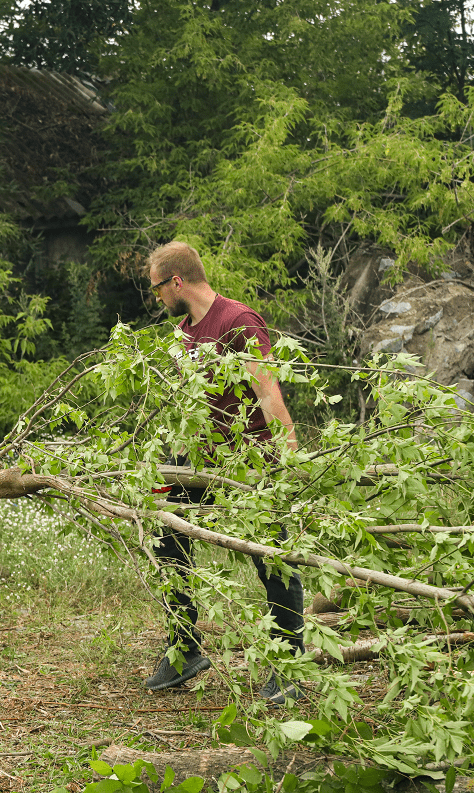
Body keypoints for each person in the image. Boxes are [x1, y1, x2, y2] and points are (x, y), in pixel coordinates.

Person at [142, 241, 305, 705]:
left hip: (249, 463)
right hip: (199, 463)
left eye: (157, 288)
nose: (156, 298)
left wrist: (288, 460)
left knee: (271, 559)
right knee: (162, 528)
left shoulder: (238, 321)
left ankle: (288, 665)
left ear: (177, 281)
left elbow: (267, 391)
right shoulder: (182, 334)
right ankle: (185, 648)